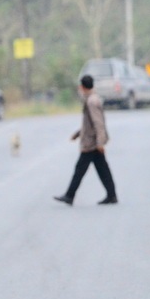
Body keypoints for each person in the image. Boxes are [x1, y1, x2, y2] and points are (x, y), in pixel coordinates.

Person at [54, 75, 118, 206]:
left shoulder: (91, 102)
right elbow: (89, 124)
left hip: (91, 143)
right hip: (92, 141)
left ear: (82, 87)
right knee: (103, 170)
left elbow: (98, 123)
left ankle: (69, 195)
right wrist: (78, 134)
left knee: (80, 170)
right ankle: (111, 195)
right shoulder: (92, 99)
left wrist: (100, 143)